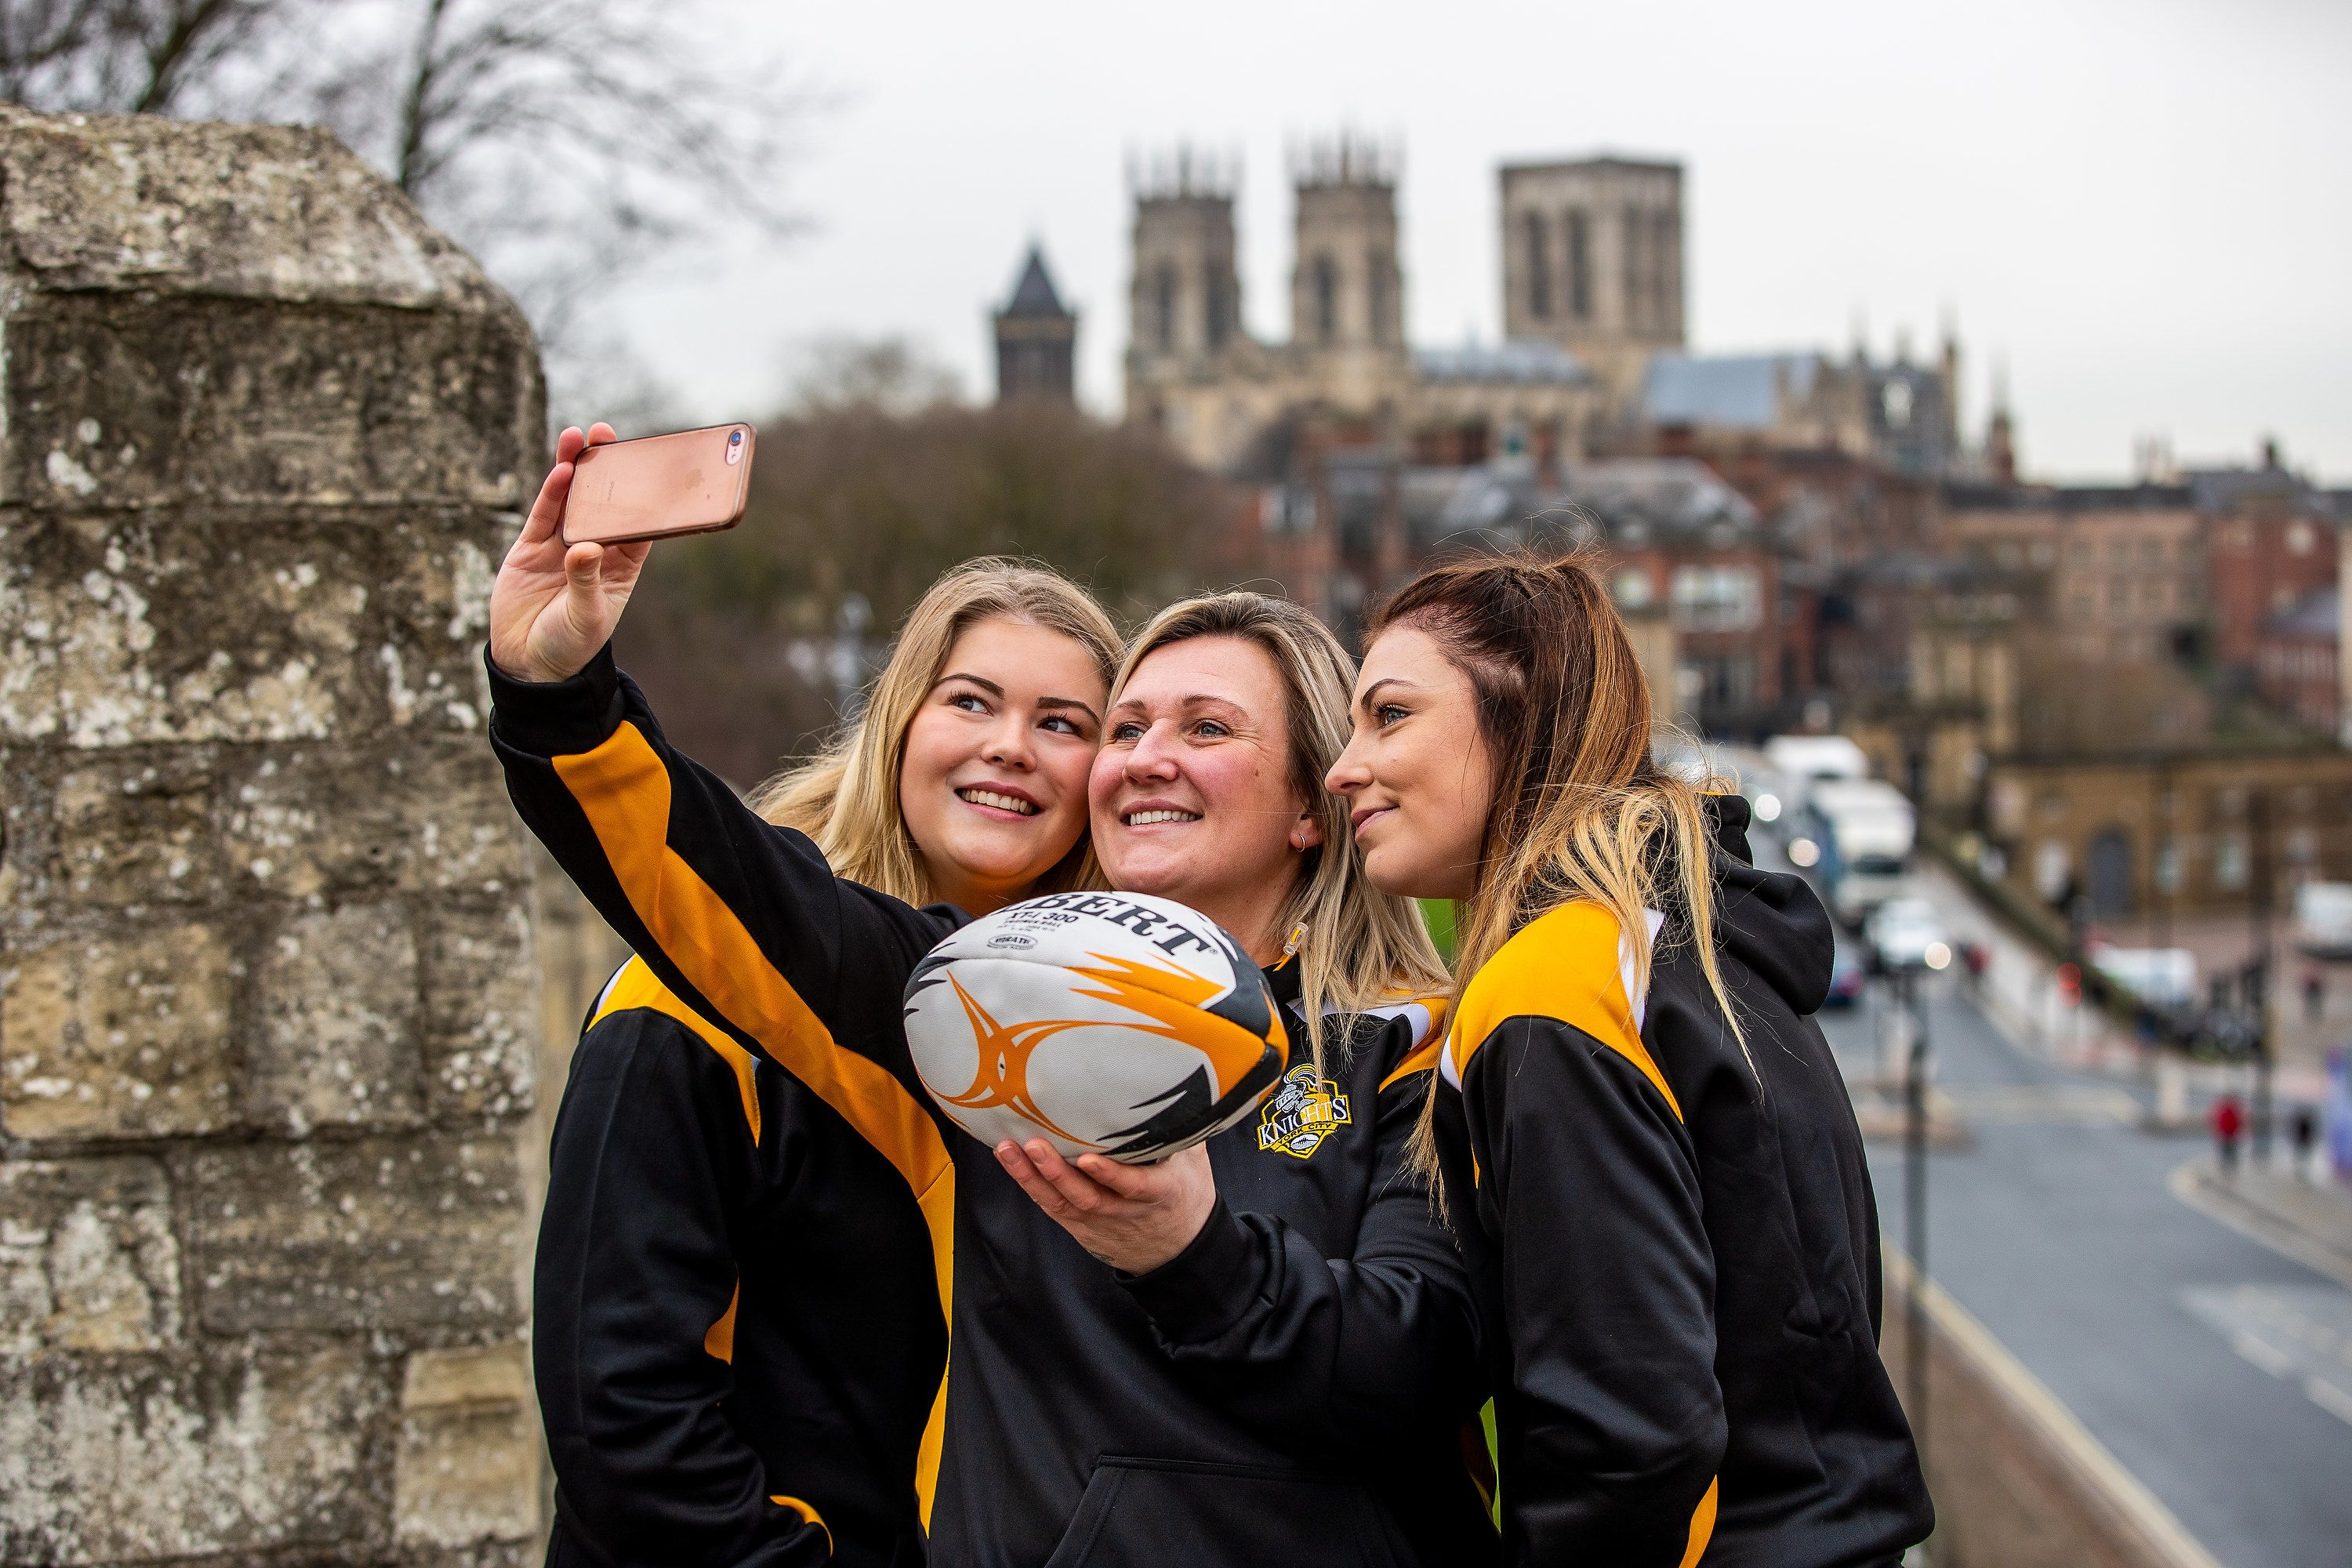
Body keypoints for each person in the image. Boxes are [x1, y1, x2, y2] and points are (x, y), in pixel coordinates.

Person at [488, 426, 1493, 1567]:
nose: (1141, 758)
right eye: (1124, 729)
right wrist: (563, 697)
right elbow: (737, 894)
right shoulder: (996, 1002)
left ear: (1313, 804)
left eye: (1205, 729)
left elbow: (1428, 1365)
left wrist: (1194, 1255)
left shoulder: (1408, 1039)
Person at [1326, 551, 1933, 1568]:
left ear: (1521, 717)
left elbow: (1630, 1441)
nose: (1346, 766)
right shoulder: (1696, 952)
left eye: (1388, 715)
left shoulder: (1557, 986)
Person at [533, 543, 1122, 1566]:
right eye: (971, 703)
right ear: (897, 726)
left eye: (1062, 724)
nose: (1013, 747)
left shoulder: (1109, 1047)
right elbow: (621, 1418)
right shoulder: (690, 995)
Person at [2213, 1092, 2245, 1173]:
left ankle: (2227, 1169)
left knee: (2228, 1152)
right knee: (2229, 1153)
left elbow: (2237, 1122)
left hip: (2229, 1135)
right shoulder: (2231, 1110)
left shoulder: (2226, 1110)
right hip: (2229, 1135)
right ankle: (2228, 1169)